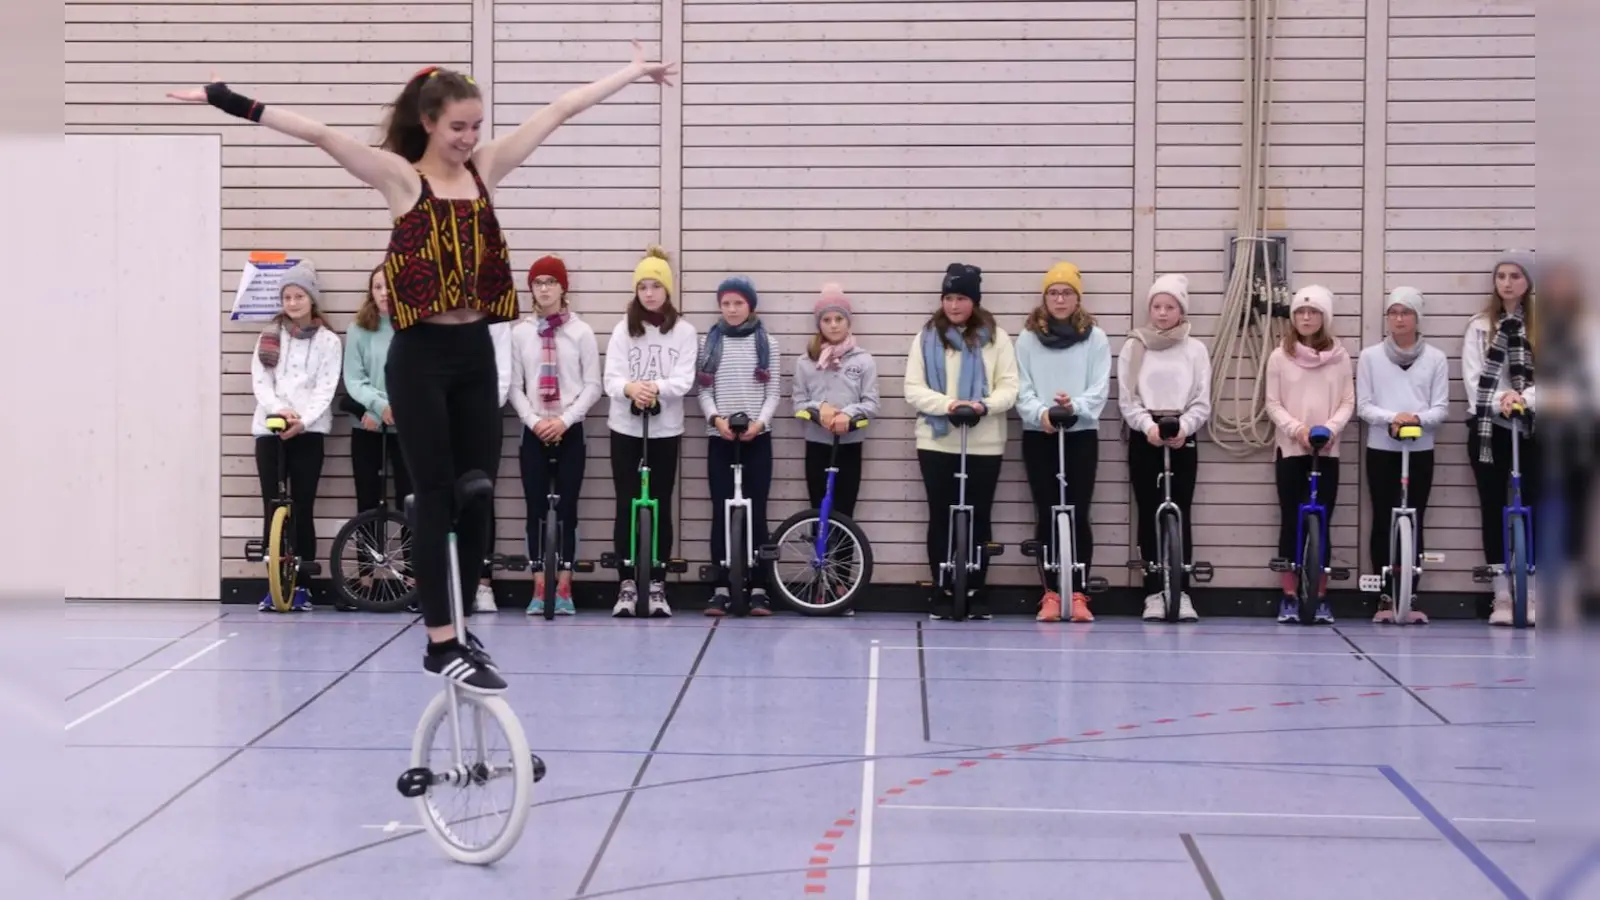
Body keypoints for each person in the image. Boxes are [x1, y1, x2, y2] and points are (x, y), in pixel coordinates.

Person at [172, 43, 677, 693]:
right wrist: (227, 99)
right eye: (458, 126)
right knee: (437, 497)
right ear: (431, 122)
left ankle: (465, 630)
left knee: (478, 493)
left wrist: (632, 74)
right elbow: (321, 136)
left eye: (476, 125)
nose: (470, 137)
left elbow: (559, 111)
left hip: (474, 354)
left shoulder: (486, 170)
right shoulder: (401, 179)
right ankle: (440, 641)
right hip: (420, 357)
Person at [903, 263, 1019, 620]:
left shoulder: (996, 338)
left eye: (962, 298)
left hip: (984, 442)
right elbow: (914, 389)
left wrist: (983, 406)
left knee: (980, 517)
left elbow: (1010, 387)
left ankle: (976, 588)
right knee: (940, 515)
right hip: (937, 442)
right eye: (949, 298)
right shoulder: (925, 338)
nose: (954, 305)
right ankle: (941, 588)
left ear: (975, 301)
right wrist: (949, 405)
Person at [603, 247, 698, 618]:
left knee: (661, 501)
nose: (649, 293)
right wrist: (630, 389)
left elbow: (684, 378)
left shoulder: (684, 331)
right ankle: (626, 582)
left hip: (665, 430)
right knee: (626, 501)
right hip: (625, 428)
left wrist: (654, 387)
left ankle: (657, 581)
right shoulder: (622, 329)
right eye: (642, 286)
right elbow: (612, 376)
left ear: (667, 290)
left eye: (655, 286)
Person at [1015, 262, 1110, 624]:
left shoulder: (1095, 338)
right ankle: (1051, 593)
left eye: (1066, 292)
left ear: (1077, 298)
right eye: (1053, 292)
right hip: (1040, 434)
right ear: (1045, 298)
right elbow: (1022, 386)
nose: (1059, 299)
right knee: (1047, 511)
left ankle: (1079, 592)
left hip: (1080, 434)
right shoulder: (1027, 338)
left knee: (1078, 511)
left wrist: (1075, 408)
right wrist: (1041, 413)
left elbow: (1100, 386)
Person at [508, 255, 600, 616]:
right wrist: (534, 420)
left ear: (564, 288)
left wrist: (564, 419)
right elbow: (514, 386)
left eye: (551, 282)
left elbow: (592, 386)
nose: (544, 289)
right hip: (533, 430)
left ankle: (564, 585)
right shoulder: (520, 333)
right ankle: (538, 586)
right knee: (534, 509)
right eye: (538, 282)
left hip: (569, 429)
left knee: (568, 510)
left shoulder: (581, 332)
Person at [1117, 274, 1212, 623]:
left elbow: (1203, 399)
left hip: (1183, 431)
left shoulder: (1195, 349)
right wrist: (1148, 427)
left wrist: (1185, 427)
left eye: (1169, 307)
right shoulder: (1135, 346)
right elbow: (1127, 398)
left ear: (1181, 310)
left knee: (1180, 509)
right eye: (1156, 306)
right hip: (1147, 433)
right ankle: (1153, 591)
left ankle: (1181, 590)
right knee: (1148, 510)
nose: (1162, 313)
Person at [250, 260, 342, 611]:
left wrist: (302, 419)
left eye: (299, 296)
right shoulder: (268, 336)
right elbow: (261, 382)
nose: (292, 303)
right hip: (269, 429)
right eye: (287, 297)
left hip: (309, 431)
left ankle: (302, 586)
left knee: (302, 508)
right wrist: (279, 412)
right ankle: (273, 585)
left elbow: (326, 387)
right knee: (271, 505)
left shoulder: (329, 342)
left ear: (311, 299)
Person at [1356, 287, 1448, 624]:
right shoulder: (1370, 357)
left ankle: (1410, 594)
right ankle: (1384, 595)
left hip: (1420, 448)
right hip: (1382, 448)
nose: (1399, 318)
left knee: (1415, 516)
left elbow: (1440, 407)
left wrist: (1417, 420)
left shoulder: (1435, 359)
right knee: (1383, 517)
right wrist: (1391, 418)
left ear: (1417, 318)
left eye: (1406, 312)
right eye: (1393, 312)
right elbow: (1364, 405)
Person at [1264, 285, 1356, 625]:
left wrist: (1330, 430)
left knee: (1323, 521)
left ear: (1324, 317)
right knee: (1291, 518)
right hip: (1291, 449)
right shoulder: (1279, 356)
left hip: (1327, 450)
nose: (1306, 317)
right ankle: (1288, 595)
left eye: (1313, 312)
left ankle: (1319, 596)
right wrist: (1297, 430)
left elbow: (1348, 401)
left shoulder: (1340, 356)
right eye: (1301, 312)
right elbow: (1273, 403)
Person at [790, 283, 880, 613]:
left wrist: (848, 415)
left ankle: (842, 581)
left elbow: (871, 403)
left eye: (838, 319)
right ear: (819, 324)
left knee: (844, 515)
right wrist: (821, 409)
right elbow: (798, 401)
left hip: (849, 446)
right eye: (826, 320)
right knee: (819, 512)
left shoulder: (863, 361)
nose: (832, 325)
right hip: (817, 444)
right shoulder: (806, 362)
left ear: (848, 322)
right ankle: (819, 581)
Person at [696, 276, 782, 616]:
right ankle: (720, 586)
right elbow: (703, 391)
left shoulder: (768, 344)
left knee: (757, 510)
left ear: (751, 306)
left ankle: (760, 586)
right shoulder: (709, 343)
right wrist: (715, 419)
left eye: (738, 304)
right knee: (721, 509)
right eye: (726, 303)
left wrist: (759, 424)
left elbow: (773, 392)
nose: (732, 310)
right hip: (720, 437)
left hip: (757, 439)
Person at [1461, 251, 1539, 625]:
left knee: (1538, 507)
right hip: (1489, 428)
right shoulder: (1479, 326)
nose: (1507, 283)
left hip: (1534, 426)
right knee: (1492, 508)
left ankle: (1536, 593)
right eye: (1501, 276)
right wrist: (1502, 400)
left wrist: (1525, 399)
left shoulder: (1547, 326)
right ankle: (1502, 597)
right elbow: (1473, 378)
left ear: (1529, 283)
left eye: (1516, 276)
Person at [342, 264, 413, 603]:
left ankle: (413, 577)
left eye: (390, 287)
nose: (384, 293)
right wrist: (377, 407)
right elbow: (354, 379)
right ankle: (367, 575)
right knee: (367, 501)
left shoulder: (415, 327)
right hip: (369, 426)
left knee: (410, 500)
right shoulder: (358, 329)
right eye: (378, 287)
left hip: (409, 427)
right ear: (370, 291)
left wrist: (398, 406)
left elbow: (421, 373)